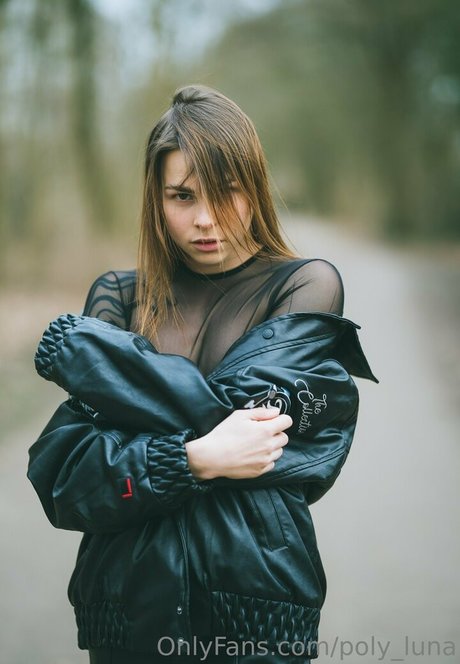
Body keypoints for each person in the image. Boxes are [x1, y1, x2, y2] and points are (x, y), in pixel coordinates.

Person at [28, 85, 377, 664]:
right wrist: (195, 459)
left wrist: (111, 382)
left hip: (256, 610)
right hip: (127, 615)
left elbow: (272, 441)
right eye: (182, 196)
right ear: (156, 198)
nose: (205, 219)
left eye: (226, 191)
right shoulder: (118, 297)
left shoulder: (305, 286)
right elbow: (68, 479)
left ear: (255, 186)